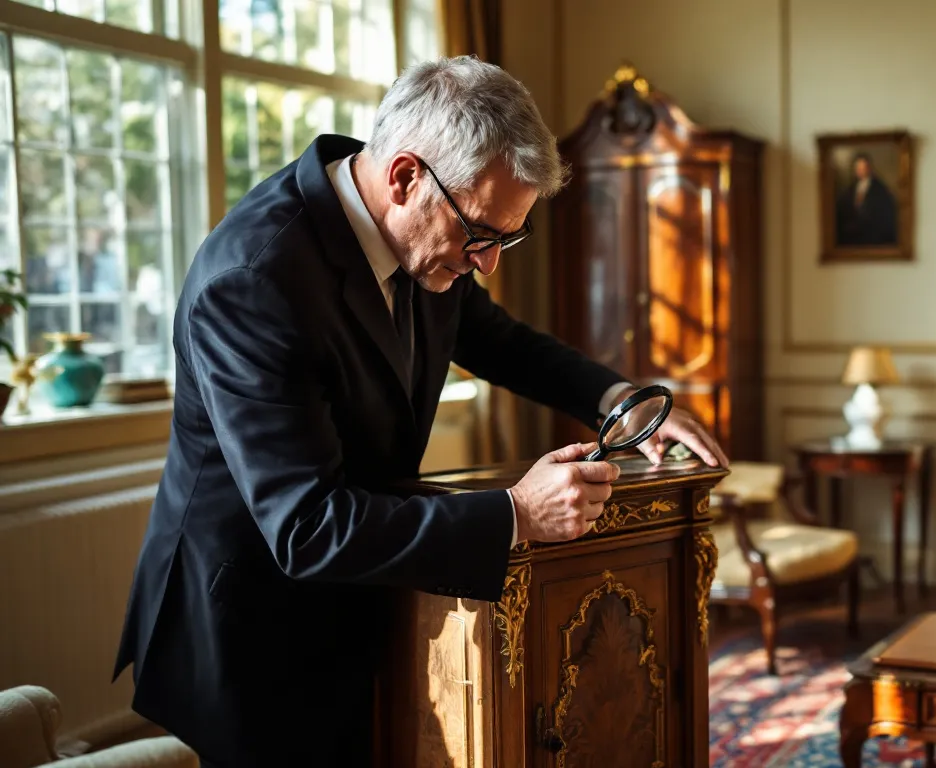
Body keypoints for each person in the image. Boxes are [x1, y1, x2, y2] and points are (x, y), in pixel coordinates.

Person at [112, 56, 729, 768]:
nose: (488, 262)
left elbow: (496, 339)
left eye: (508, 238)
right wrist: (517, 513)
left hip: (358, 598)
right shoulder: (254, 281)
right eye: (483, 235)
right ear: (405, 177)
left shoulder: (428, 228)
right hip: (248, 630)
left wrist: (616, 400)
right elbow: (308, 526)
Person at [835, 152, 897, 246]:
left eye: (862, 168)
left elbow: (885, 215)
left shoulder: (879, 189)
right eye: (858, 168)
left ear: (869, 168)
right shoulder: (850, 189)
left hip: (873, 238)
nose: (860, 171)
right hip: (853, 239)